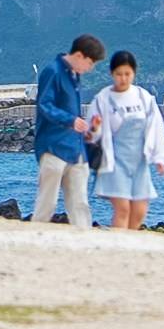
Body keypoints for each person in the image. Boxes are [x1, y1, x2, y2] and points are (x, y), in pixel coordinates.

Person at [87, 50, 164, 229]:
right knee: (123, 207)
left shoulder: (144, 97)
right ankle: (119, 244)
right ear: (111, 74)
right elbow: (91, 134)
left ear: (134, 73)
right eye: (119, 74)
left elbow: (156, 127)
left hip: (139, 159)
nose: (123, 78)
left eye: (127, 74)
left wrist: (160, 158)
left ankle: (131, 244)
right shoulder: (103, 99)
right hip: (114, 159)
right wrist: (94, 127)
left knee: (140, 209)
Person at [28, 33, 105, 224]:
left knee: (80, 202)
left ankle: (83, 239)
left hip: (75, 148)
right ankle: (36, 237)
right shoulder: (52, 71)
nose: (90, 68)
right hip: (53, 146)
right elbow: (44, 104)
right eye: (90, 62)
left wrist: (85, 128)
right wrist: (70, 120)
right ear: (79, 55)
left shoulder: (74, 75)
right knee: (48, 202)